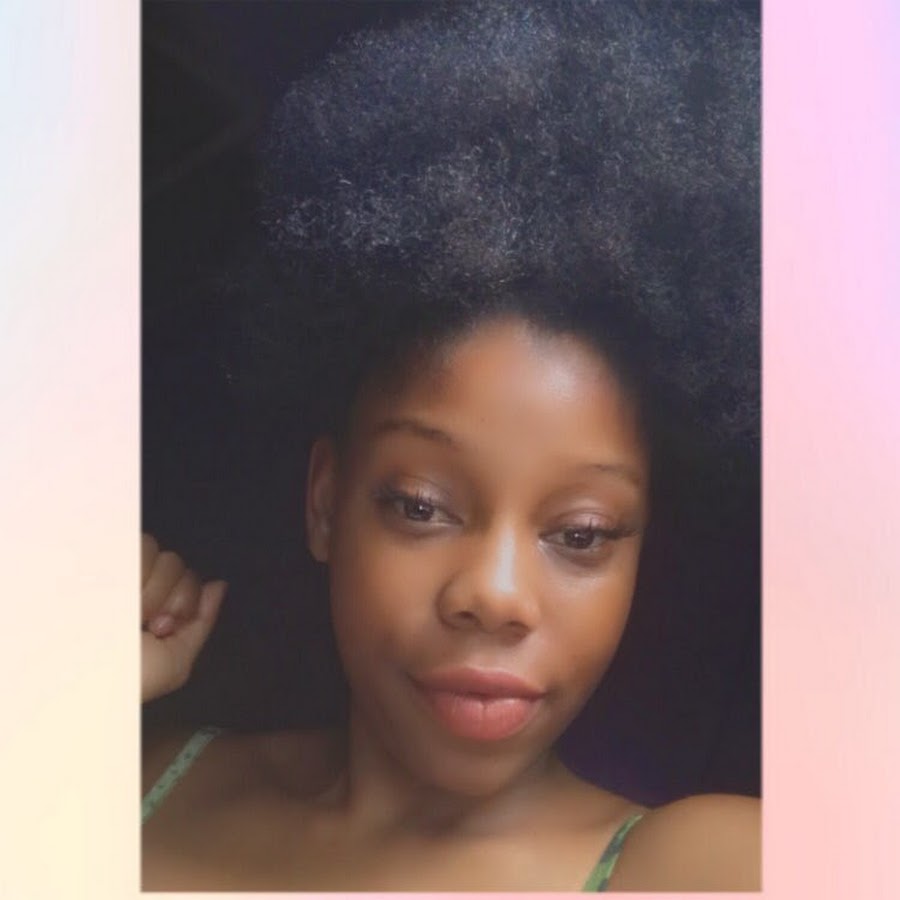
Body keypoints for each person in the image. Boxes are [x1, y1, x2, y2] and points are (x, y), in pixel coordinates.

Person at [141, 0, 760, 890]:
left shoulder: (703, 864)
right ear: (325, 502)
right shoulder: (133, 775)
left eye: (581, 534)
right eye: (421, 506)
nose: (494, 595)